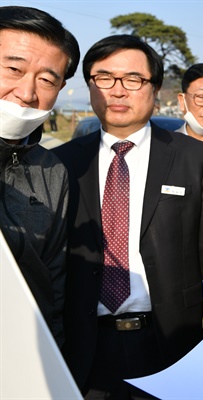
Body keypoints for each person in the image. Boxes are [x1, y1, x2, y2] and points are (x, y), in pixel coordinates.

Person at [53, 34, 203, 398]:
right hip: (87, 346)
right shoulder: (63, 162)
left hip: (172, 341)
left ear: (155, 88)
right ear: (90, 86)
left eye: (133, 79)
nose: (118, 91)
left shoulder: (193, 158)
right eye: (104, 78)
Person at [0, 5, 80, 346]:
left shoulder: (53, 171)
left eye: (47, 80)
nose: (27, 92)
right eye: (13, 69)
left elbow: (54, 284)